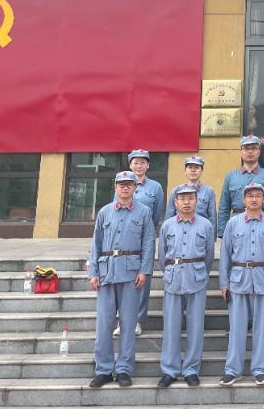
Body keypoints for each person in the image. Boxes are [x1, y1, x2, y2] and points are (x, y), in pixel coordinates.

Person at [87, 171, 155, 388]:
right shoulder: (105, 212)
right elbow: (96, 243)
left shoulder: (144, 212)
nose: (125, 188)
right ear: (115, 187)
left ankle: (124, 369)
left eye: (129, 184)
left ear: (135, 187)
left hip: (131, 274)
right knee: (104, 324)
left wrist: (145, 270)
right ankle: (104, 369)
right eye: (121, 184)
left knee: (128, 323)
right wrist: (93, 272)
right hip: (107, 272)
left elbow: (148, 243)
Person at [218, 180, 264, 386]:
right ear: (243, 200)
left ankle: (260, 369)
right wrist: (224, 282)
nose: (254, 199)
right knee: (237, 327)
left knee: (261, 328)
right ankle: (232, 370)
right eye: (250, 196)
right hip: (238, 278)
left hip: (263, 278)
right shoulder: (233, 223)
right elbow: (225, 255)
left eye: (258, 196)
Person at [157, 183, 215, 388]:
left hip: (196, 277)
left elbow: (209, 256)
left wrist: (201, 272)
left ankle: (191, 369)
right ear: (175, 202)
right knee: (171, 326)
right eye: (182, 199)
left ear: (196, 201)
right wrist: (170, 271)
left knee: (196, 326)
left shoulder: (206, 225)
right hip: (173, 277)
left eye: (190, 198)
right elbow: (162, 256)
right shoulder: (167, 226)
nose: (186, 202)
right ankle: (170, 369)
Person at [126, 149, 165, 336]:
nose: (139, 166)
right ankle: (123, 319)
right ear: (130, 165)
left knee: (143, 278)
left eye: (142, 162)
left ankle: (137, 320)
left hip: (145, 237)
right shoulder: (123, 183)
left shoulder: (155, 187)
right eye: (135, 162)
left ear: (148, 165)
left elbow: (157, 213)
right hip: (125, 237)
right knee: (124, 278)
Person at [218, 135, 264, 235]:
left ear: (259, 151)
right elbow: (224, 206)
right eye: (246, 148)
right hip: (236, 225)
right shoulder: (231, 176)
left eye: (254, 148)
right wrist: (222, 232)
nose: (250, 151)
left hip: (262, 223)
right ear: (241, 151)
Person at [164, 155, 216, 228]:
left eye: (196, 167)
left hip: (201, 230)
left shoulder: (209, 191)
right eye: (190, 167)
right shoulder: (176, 191)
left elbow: (212, 218)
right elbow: (169, 216)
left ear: (202, 170)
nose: (193, 170)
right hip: (179, 229)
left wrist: (212, 235)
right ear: (185, 170)